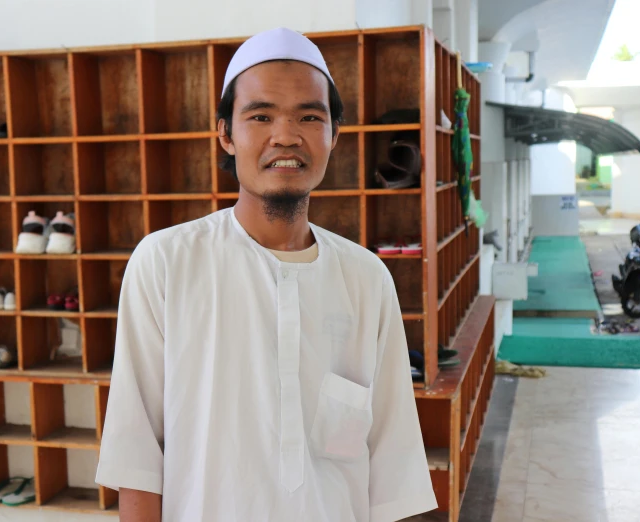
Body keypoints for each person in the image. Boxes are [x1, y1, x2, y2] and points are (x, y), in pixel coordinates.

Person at [95, 27, 437, 522]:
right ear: (226, 134)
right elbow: (138, 459)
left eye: (308, 116)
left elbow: (392, 464)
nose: (286, 136)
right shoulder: (166, 262)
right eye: (261, 116)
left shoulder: (366, 279)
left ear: (333, 135)